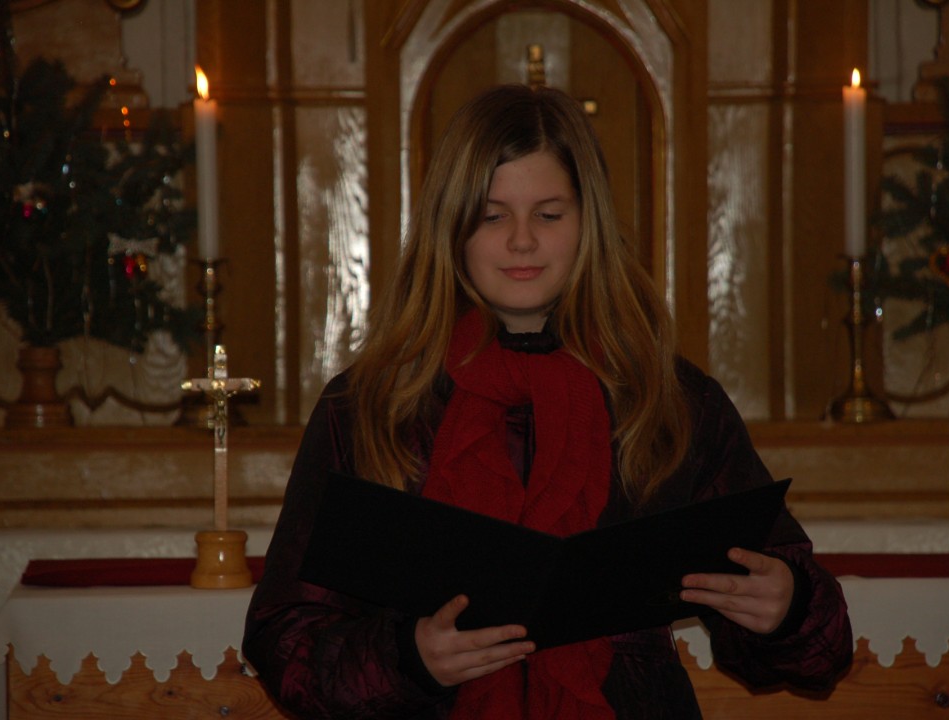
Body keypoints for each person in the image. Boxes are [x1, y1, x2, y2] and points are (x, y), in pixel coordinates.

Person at [243, 84, 853, 719]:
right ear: (451, 228)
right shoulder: (372, 406)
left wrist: (787, 609)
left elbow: (818, 651)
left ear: (589, 224)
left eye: (549, 214)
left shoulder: (669, 403)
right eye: (492, 216)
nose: (522, 241)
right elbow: (284, 639)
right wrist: (409, 657)